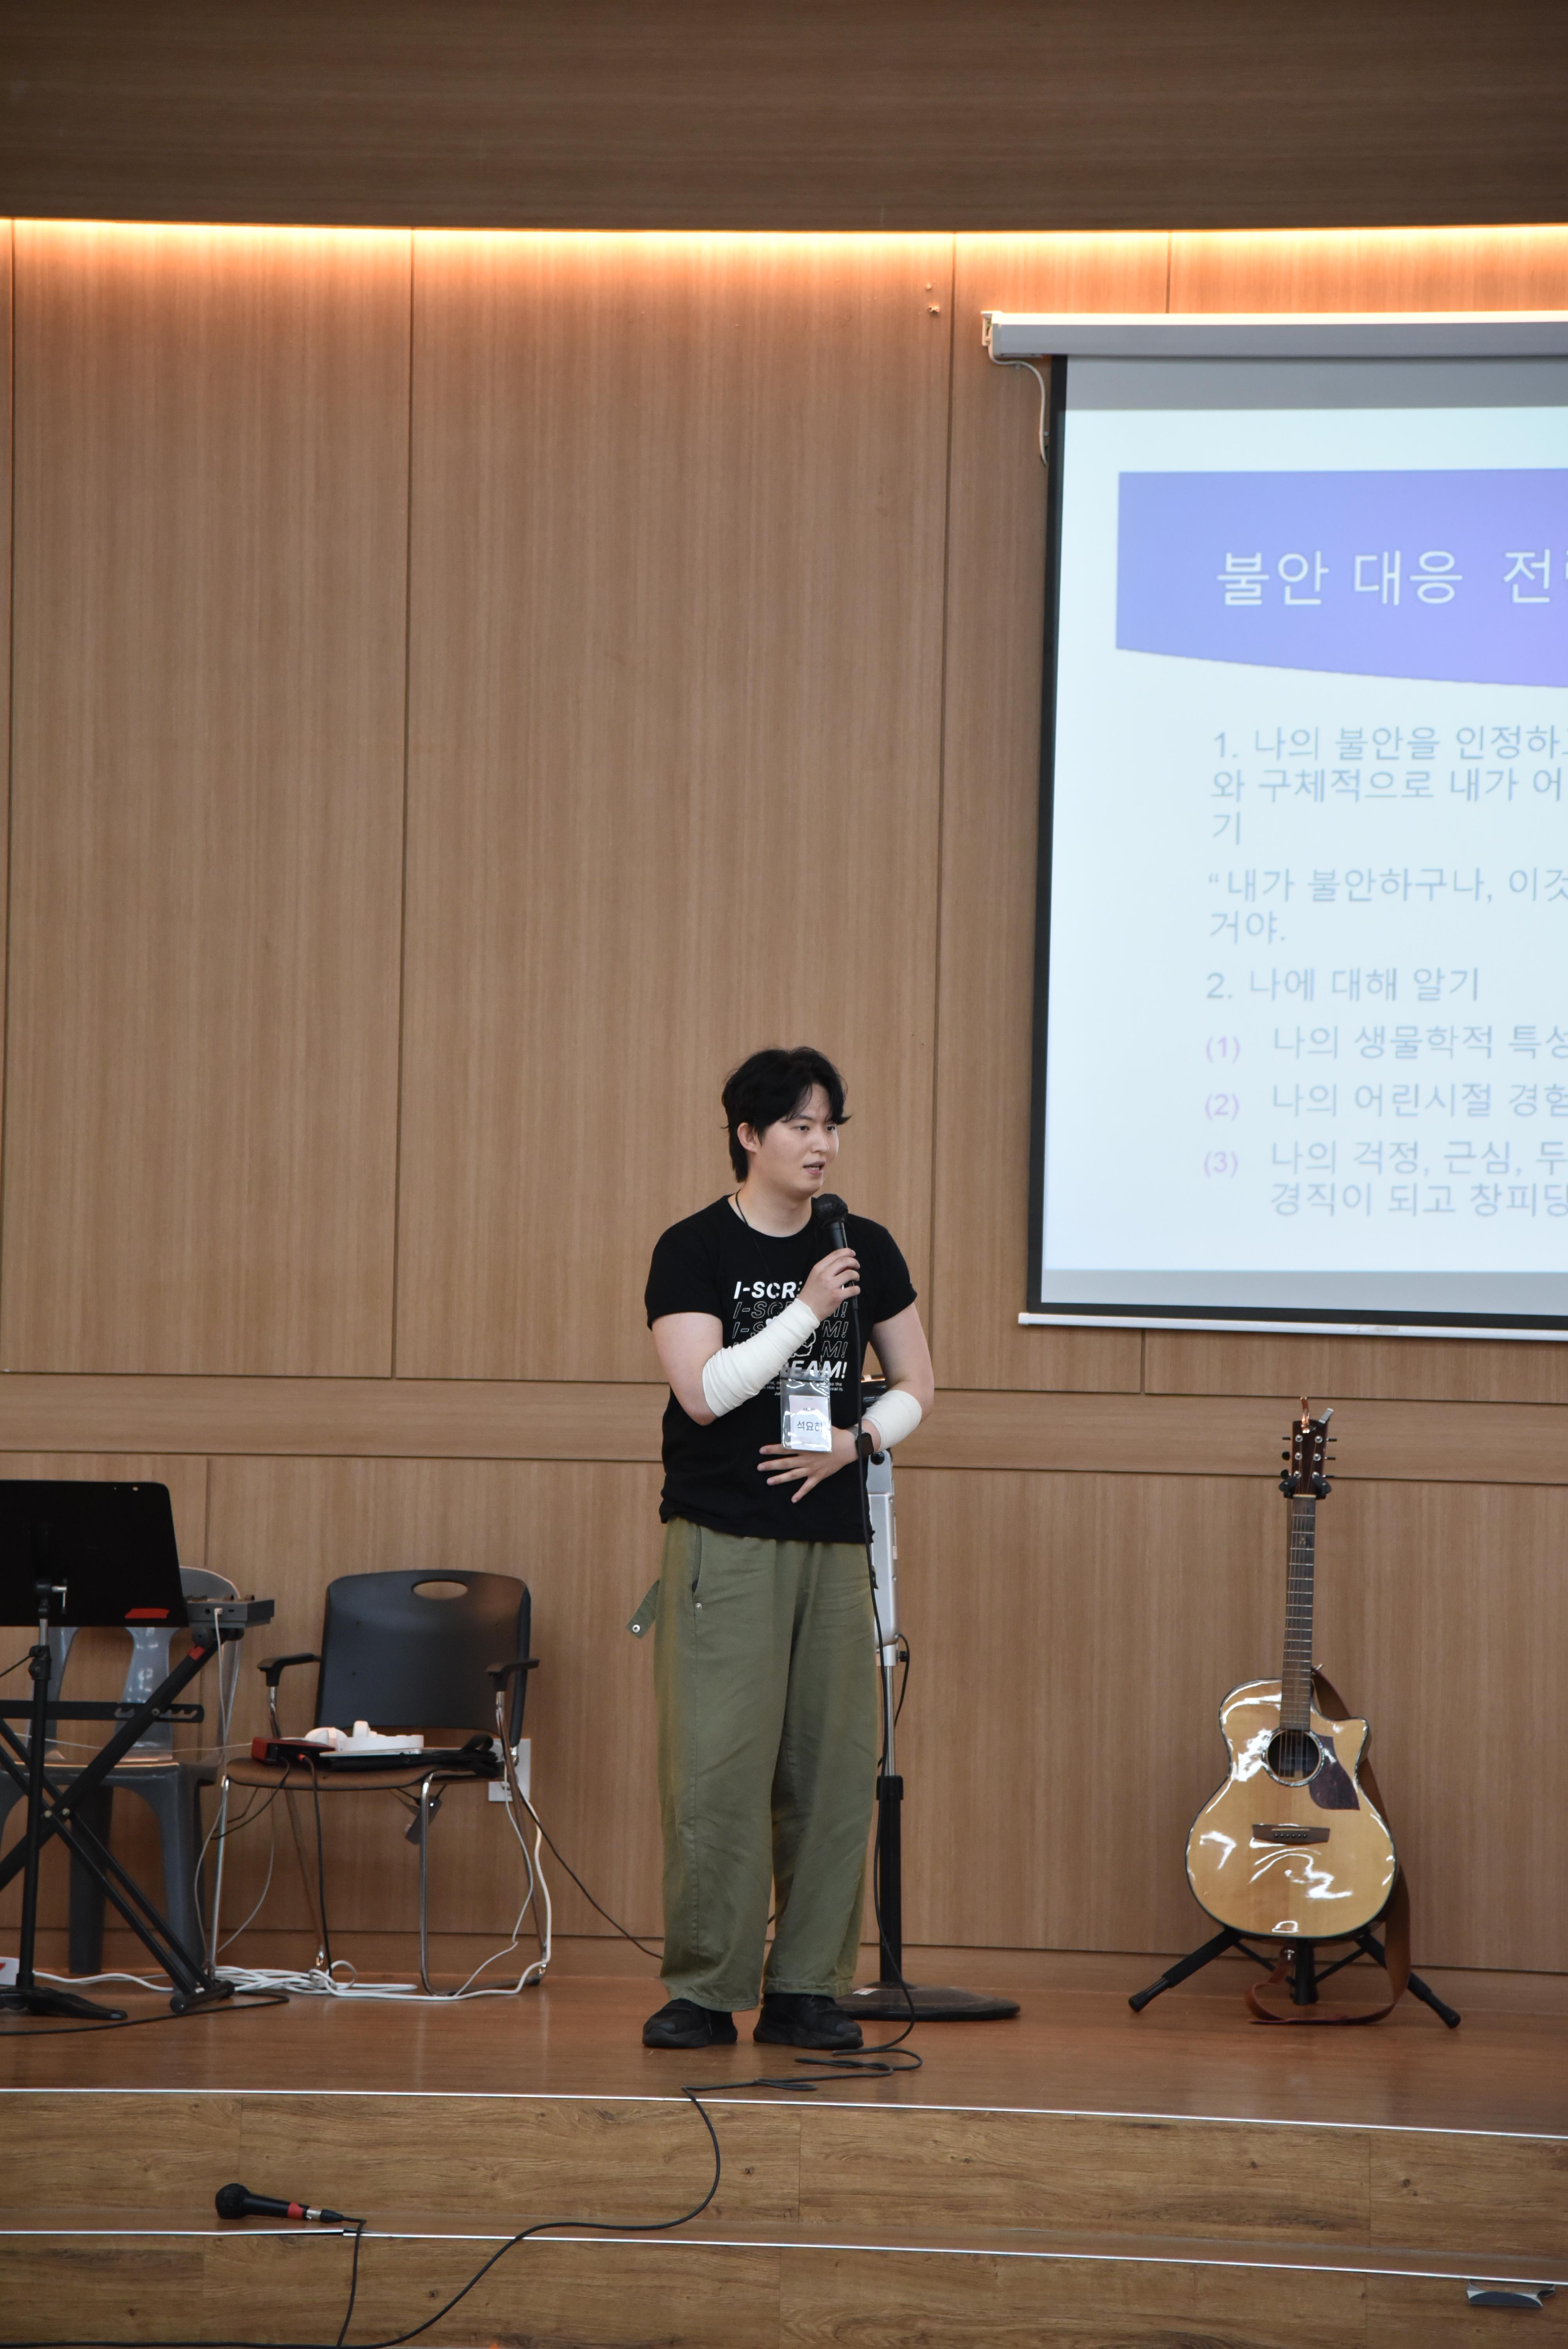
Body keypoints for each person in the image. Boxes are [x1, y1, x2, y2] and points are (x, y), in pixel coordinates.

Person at [640, 1045, 935, 2052]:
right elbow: (703, 1392)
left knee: (831, 1772)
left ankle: (807, 1988)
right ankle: (705, 1990)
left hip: (833, 1539)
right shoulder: (693, 1247)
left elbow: (919, 1386)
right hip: (724, 1540)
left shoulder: (865, 1245)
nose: (822, 1144)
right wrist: (808, 1308)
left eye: (831, 1125)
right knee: (717, 1771)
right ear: (749, 1135)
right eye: (802, 1126)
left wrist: (858, 1443)